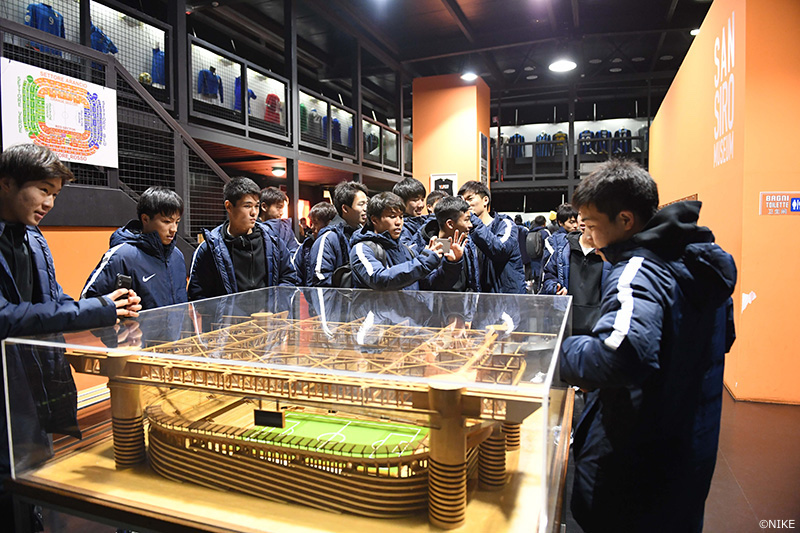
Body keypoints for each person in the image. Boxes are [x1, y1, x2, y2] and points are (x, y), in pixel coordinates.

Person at [559, 160, 736, 532]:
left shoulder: (639, 269)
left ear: (625, 219)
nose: (588, 236)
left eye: (591, 225)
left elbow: (619, 355)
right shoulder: (697, 260)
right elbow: (724, 338)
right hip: (687, 449)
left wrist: (560, 352)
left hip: (636, 462)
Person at [0, 144, 141, 525]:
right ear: (7, 183)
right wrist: (96, 309)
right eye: (43, 190)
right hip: (6, 383)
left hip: (36, 379)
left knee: (35, 475)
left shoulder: (34, 237)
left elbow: (54, 299)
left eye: (55, 195)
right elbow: (5, 317)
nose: (49, 203)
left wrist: (111, 315)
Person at [188, 177, 297, 300]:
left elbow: (288, 277)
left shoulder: (273, 240)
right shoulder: (211, 247)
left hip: (268, 312)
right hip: (229, 313)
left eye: (256, 206)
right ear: (229, 206)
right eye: (247, 206)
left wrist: (278, 305)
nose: (254, 212)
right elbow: (198, 293)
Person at [82, 186, 188, 310]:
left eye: (177, 222)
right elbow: (87, 301)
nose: (174, 229)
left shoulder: (177, 256)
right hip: (135, 324)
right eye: (167, 221)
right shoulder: (122, 256)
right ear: (145, 219)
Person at [349, 192, 451, 291]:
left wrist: (452, 264)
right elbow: (379, 279)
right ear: (375, 220)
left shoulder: (407, 251)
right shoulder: (362, 248)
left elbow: (429, 284)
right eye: (392, 216)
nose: (398, 222)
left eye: (401, 217)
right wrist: (424, 262)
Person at [540, 213, 610, 335]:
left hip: (599, 326)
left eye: (589, 214)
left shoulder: (610, 254)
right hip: (566, 323)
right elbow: (549, 275)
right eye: (580, 214)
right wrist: (554, 287)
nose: (583, 220)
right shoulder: (563, 248)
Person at [458, 180, 526, 294]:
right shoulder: (466, 231)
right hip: (479, 299)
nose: (465, 204)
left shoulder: (505, 225)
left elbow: (500, 250)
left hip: (506, 298)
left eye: (470, 199)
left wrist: (471, 219)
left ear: (485, 200)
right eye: (463, 201)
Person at [309, 181, 368, 287]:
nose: (365, 208)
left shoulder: (364, 233)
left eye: (367, 203)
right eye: (361, 204)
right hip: (337, 297)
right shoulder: (329, 238)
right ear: (345, 208)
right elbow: (321, 279)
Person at [414, 195, 478, 292]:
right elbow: (430, 285)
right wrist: (452, 264)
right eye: (466, 220)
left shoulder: (467, 244)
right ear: (450, 224)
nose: (470, 225)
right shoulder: (427, 248)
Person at [293, 202, 337, 286]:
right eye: (311, 223)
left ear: (328, 223)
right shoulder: (306, 245)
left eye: (316, 223)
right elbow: (296, 275)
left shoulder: (334, 242)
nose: (312, 227)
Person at [259, 186, 299, 253]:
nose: (281, 212)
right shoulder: (253, 228)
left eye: (282, 208)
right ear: (264, 207)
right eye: (278, 207)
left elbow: (294, 250)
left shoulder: (285, 228)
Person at [392, 176, 428, 245]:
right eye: (415, 200)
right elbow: (409, 249)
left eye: (422, 200)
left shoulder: (421, 220)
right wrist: (426, 229)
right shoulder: (399, 226)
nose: (421, 205)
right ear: (402, 202)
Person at [527, 215, 550, 292]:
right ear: (544, 223)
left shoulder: (530, 232)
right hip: (542, 262)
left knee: (535, 282)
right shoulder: (545, 232)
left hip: (533, 262)